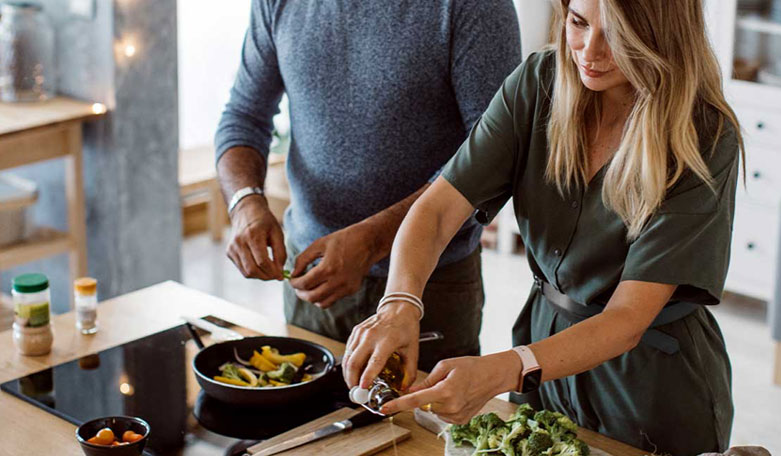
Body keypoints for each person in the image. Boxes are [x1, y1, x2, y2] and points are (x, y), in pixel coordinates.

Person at [342, 0, 744, 454]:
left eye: (617, 35)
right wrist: (399, 304)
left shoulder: (705, 137)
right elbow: (437, 210)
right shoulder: (538, 83)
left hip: (651, 382)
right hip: (543, 351)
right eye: (578, 22)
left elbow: (627, 319)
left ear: (661, 38)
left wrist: (502, 369)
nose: (589, 50)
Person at [214, 0, 521, 370]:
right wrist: (245, 203)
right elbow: (243, 115)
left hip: (426, 287)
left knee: (423, 427)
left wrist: (374, 240)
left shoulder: (473, 7)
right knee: (306, 423)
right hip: (309, 283)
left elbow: (496, 157)